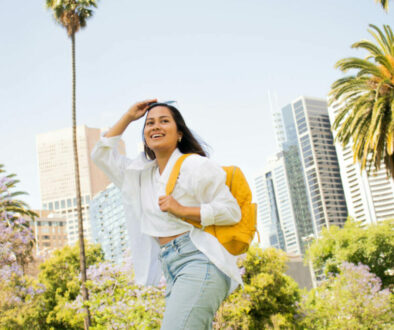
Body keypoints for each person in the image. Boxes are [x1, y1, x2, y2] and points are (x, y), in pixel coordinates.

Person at [91, 99, 243, 329]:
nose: (155, 126)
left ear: (179, 133)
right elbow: (100, 155)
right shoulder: (139, 175)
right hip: (172, 267)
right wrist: (129, 116)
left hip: (200, 259)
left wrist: (182, 210)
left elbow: (231, 212)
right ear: (144, 137)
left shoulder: (194, 165)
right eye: (149, 123)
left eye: (164, 121)